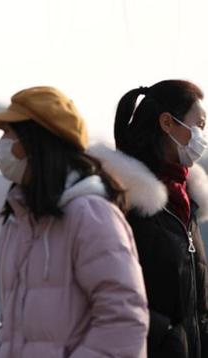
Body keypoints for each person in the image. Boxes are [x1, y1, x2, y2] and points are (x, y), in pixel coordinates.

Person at [0, 87, 149, 357]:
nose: (1, 144)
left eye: (9, 133)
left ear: (36, 141)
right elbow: (11, 327)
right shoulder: (17, 220)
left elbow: (124, 321)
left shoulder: (92, 216)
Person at [92, 80, 208, 358]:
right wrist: (166, 335)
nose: (202, 136)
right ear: (168, 123)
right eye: (200, 125)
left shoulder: (186, 201)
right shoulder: (120, 201)